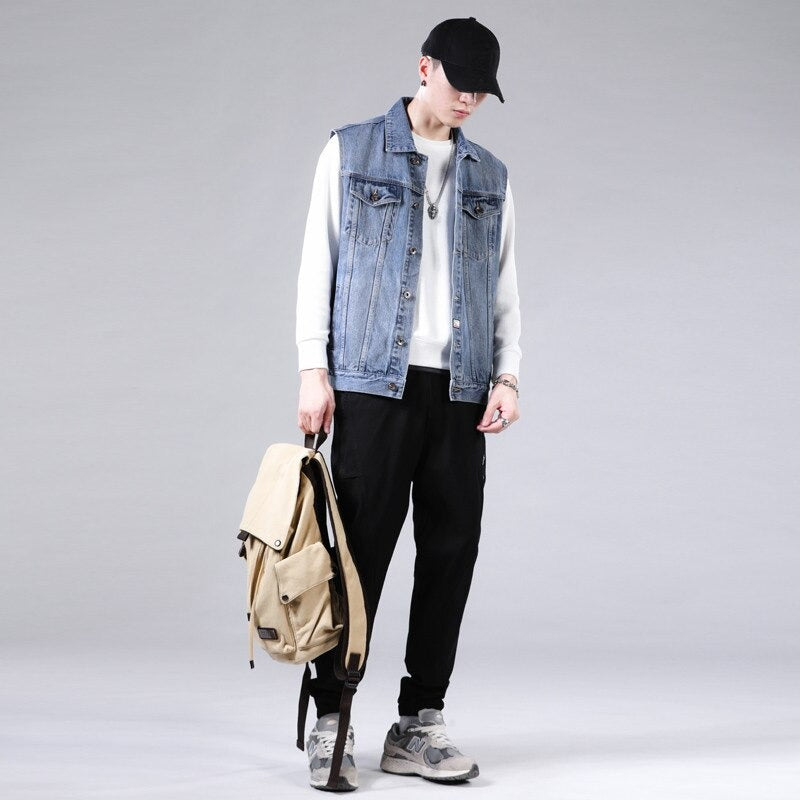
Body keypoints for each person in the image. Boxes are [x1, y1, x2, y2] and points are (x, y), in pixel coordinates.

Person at [294, 16, 521, 791]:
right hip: (371, 384)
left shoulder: (490, 175)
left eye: (481, 92)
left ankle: (420, 720)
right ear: (424, 67)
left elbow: (505, 287)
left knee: (450, 554)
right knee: (355, 556)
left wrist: (508, 377)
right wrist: (312, 369)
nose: (468, 101)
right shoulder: (351, 151)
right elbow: (317, 262)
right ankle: (333, 717)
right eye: (458, 83)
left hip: (459, 391)